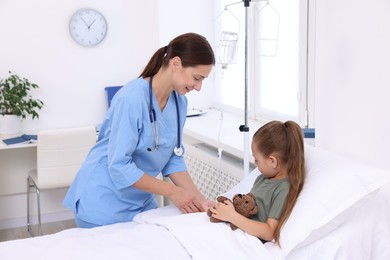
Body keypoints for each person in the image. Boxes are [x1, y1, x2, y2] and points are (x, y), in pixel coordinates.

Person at [63, 32, 216, 228]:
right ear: (176, 63)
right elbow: (119, 165)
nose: (199, 87)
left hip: (140, 201)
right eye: (197, 78)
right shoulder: (131, 99)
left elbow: (173, 157)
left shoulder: (179, 103)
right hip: (103, 200)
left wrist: (200, 199)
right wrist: (172, 192)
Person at [209, 120, 306, 245]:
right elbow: (247, 206)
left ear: (272, 161)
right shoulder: (262, 178)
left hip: (249, 239)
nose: (255, 163)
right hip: (238, 228)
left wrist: (232, 216)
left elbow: (270, 231)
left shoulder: (283, 189)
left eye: (257, 159)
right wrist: (229, 209)